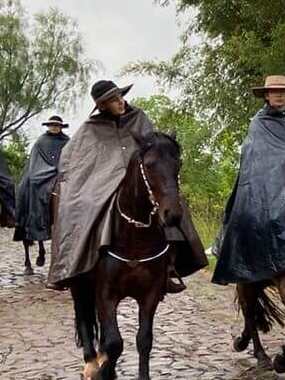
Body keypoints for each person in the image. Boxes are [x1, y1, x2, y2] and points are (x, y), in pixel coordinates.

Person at [47, 79, 206, 292]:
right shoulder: (89, 129)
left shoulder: (138, 117)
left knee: (172, 203)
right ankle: (71, 268)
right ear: (102, 105)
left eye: (120, 96)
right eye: (114, 100)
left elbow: (154, 150)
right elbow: (70, 158)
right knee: (77, 206)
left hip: (140, 182)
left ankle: (170, 265)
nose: (121, 102)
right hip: (101, 183)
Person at [211, 76, 285, 287]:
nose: (279, 95)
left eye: (283, 91)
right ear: (266, 95)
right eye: (274, 91)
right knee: (244, 213)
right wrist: (284, 169)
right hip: (267, 183)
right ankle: (251, 261)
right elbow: (254, 157)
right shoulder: (258, 123)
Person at [13, 115, 68, 251]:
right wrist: (47, 170)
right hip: (41, 173)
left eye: (57, 125)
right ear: (48, 126)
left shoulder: (68, 141)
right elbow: (35, 162)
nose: (54, 127)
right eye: (52, 125)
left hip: (63, 173)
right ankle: (30, 222)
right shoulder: (41, 142)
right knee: (27, 185)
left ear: (61, 127)